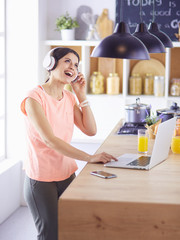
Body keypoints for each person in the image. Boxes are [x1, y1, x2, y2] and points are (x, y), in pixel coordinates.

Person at [20, 47, 117, 240]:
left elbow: (90, 130)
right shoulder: (34, 98)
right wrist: (90, 157)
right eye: (67, 61)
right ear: (51, 64)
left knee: (74, 228)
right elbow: (50, 140)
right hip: (41, 179)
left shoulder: (69, 97)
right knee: (51, 234)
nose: (72, 67)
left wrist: (81, 95)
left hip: (66, 174)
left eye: (76, 64)